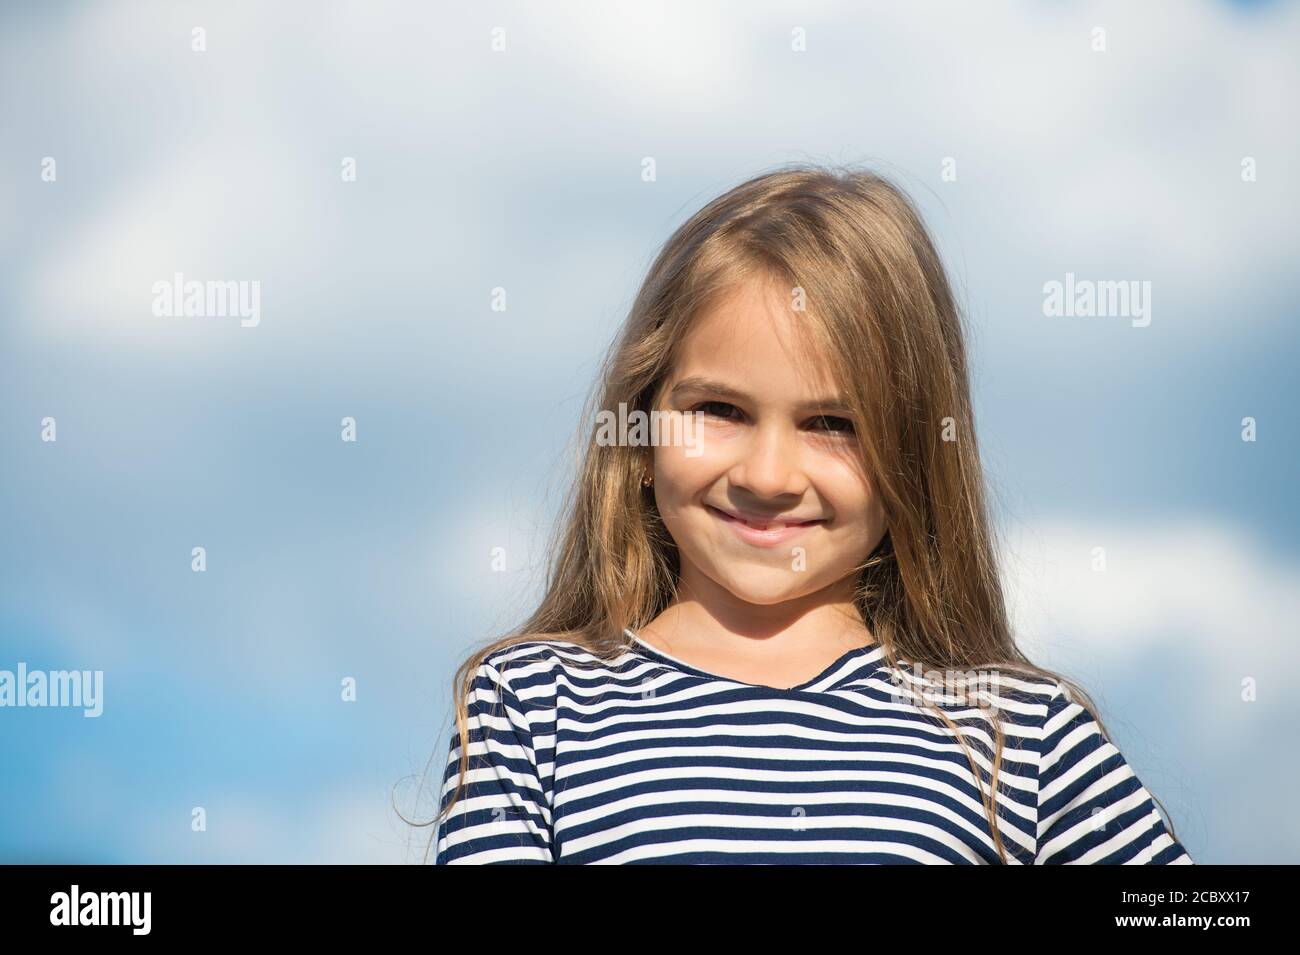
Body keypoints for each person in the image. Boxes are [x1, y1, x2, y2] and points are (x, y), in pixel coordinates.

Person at [429, 164, 1193, 864]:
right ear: (644, 419)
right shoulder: (532, 706)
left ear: (919, 448)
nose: (767, 475)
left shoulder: (1020, 733)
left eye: (834, 423)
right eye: (718, 409)